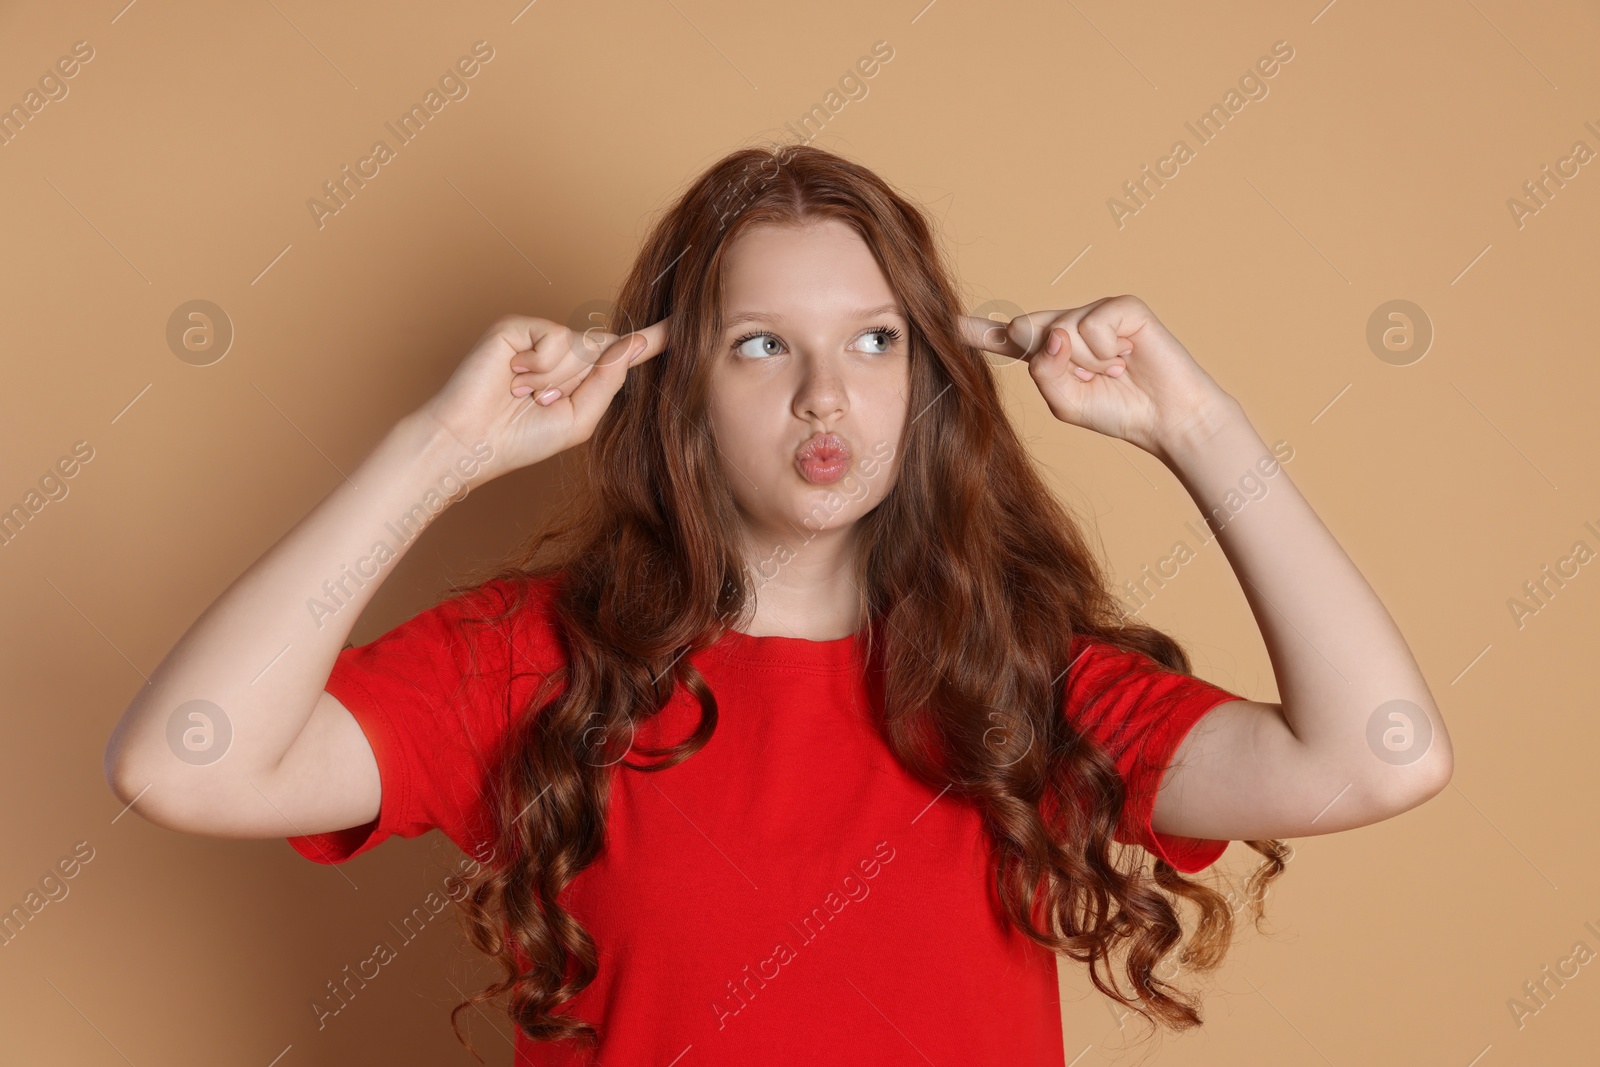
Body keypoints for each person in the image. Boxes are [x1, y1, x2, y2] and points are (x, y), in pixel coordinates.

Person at [102, 143, 1452, 1066]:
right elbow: (185, 763)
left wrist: (1198, 428)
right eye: (764, 346)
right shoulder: (531, 659)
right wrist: (433, 458)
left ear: (925, 378)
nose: (827, 396)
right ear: (678, 383)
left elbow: (1381, 757)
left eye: (873, 341)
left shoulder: (1018, 679)